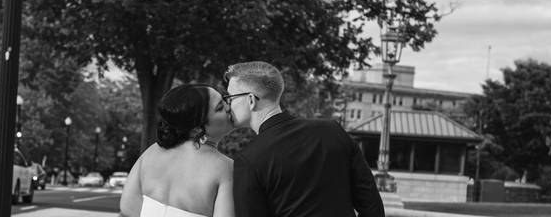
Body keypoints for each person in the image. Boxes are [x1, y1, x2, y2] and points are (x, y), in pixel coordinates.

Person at [225, 61, 385, 217]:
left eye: (230, 98)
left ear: (251, 100)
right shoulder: (332, 131)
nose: (227, 105)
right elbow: (373, 208)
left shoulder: (249, 160)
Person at [120, 83, 236, 217]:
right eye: (220, 107)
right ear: (197, 128)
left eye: (225, 100)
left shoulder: (152, 152)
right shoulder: (225, 168)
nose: (229, 107)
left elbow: (127, 208)